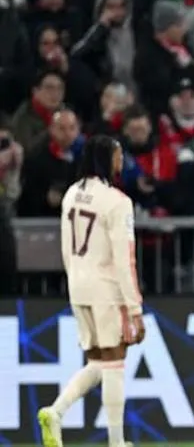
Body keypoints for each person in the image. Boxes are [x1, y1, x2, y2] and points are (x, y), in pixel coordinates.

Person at [38, 136, 146, 447]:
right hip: (107, 289)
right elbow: (125, 259)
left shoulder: (72, 194)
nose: (121, 160)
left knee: (99, 362)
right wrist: (135, 308)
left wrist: (74, 280)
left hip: (79, 286)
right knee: (115, 361)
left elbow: (65, 246)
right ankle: (116, 441)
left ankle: (56, 412)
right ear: (107, 159)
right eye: (118, 154)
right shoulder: (117, 201)